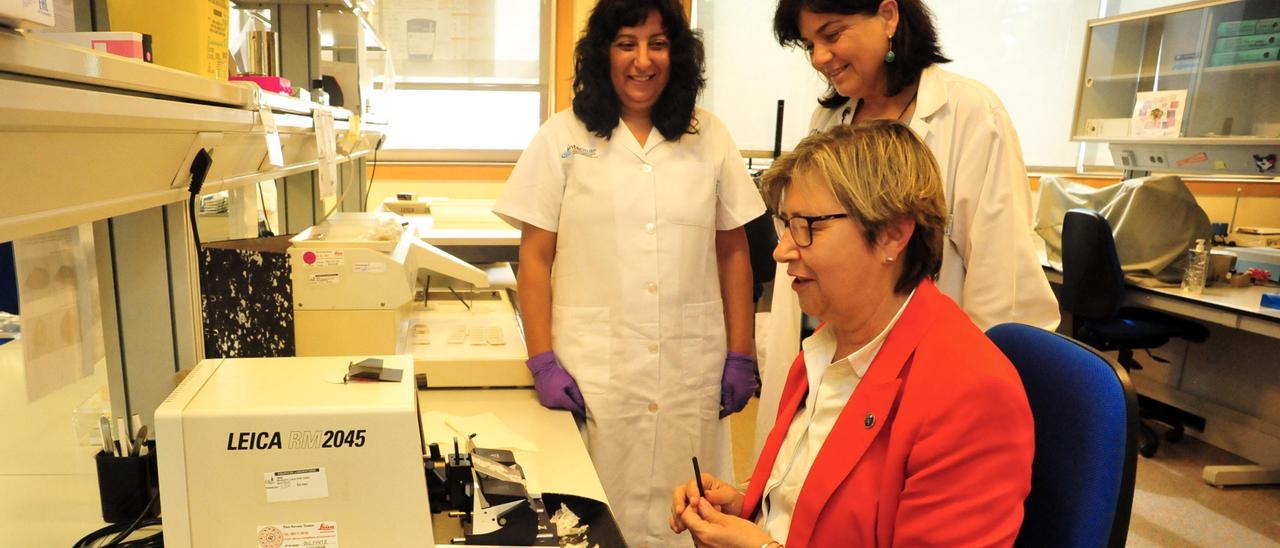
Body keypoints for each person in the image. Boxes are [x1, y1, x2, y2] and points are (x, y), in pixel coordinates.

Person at [670, 121, 1034, 547]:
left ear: (892, 234)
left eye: (808, 225)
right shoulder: (830, 342)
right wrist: (748, 504)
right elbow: (820, 499)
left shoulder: (971, 394)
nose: (782, 249)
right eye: (786, 224)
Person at [492, 0, 765, 544]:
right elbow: (535, 258)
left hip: (691, 368)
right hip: (596, 372)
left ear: (677, 55)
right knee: (590, 515)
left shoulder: (708, 136)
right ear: (603, 54)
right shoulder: (562, 137)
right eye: (626, 44)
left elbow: (733, 251)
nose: (643, 60)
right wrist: (542, 358)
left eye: (658, 44)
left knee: (692, 516)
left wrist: (741, 351)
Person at [755, 0, 1059, 455]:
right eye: (808, 44)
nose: (819, 58)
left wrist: (971, 407)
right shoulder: (830, 120)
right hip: (835, 354)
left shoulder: (970, 114)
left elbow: (1001, 282)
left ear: (889, 16)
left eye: (832, 34)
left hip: (925, 376)